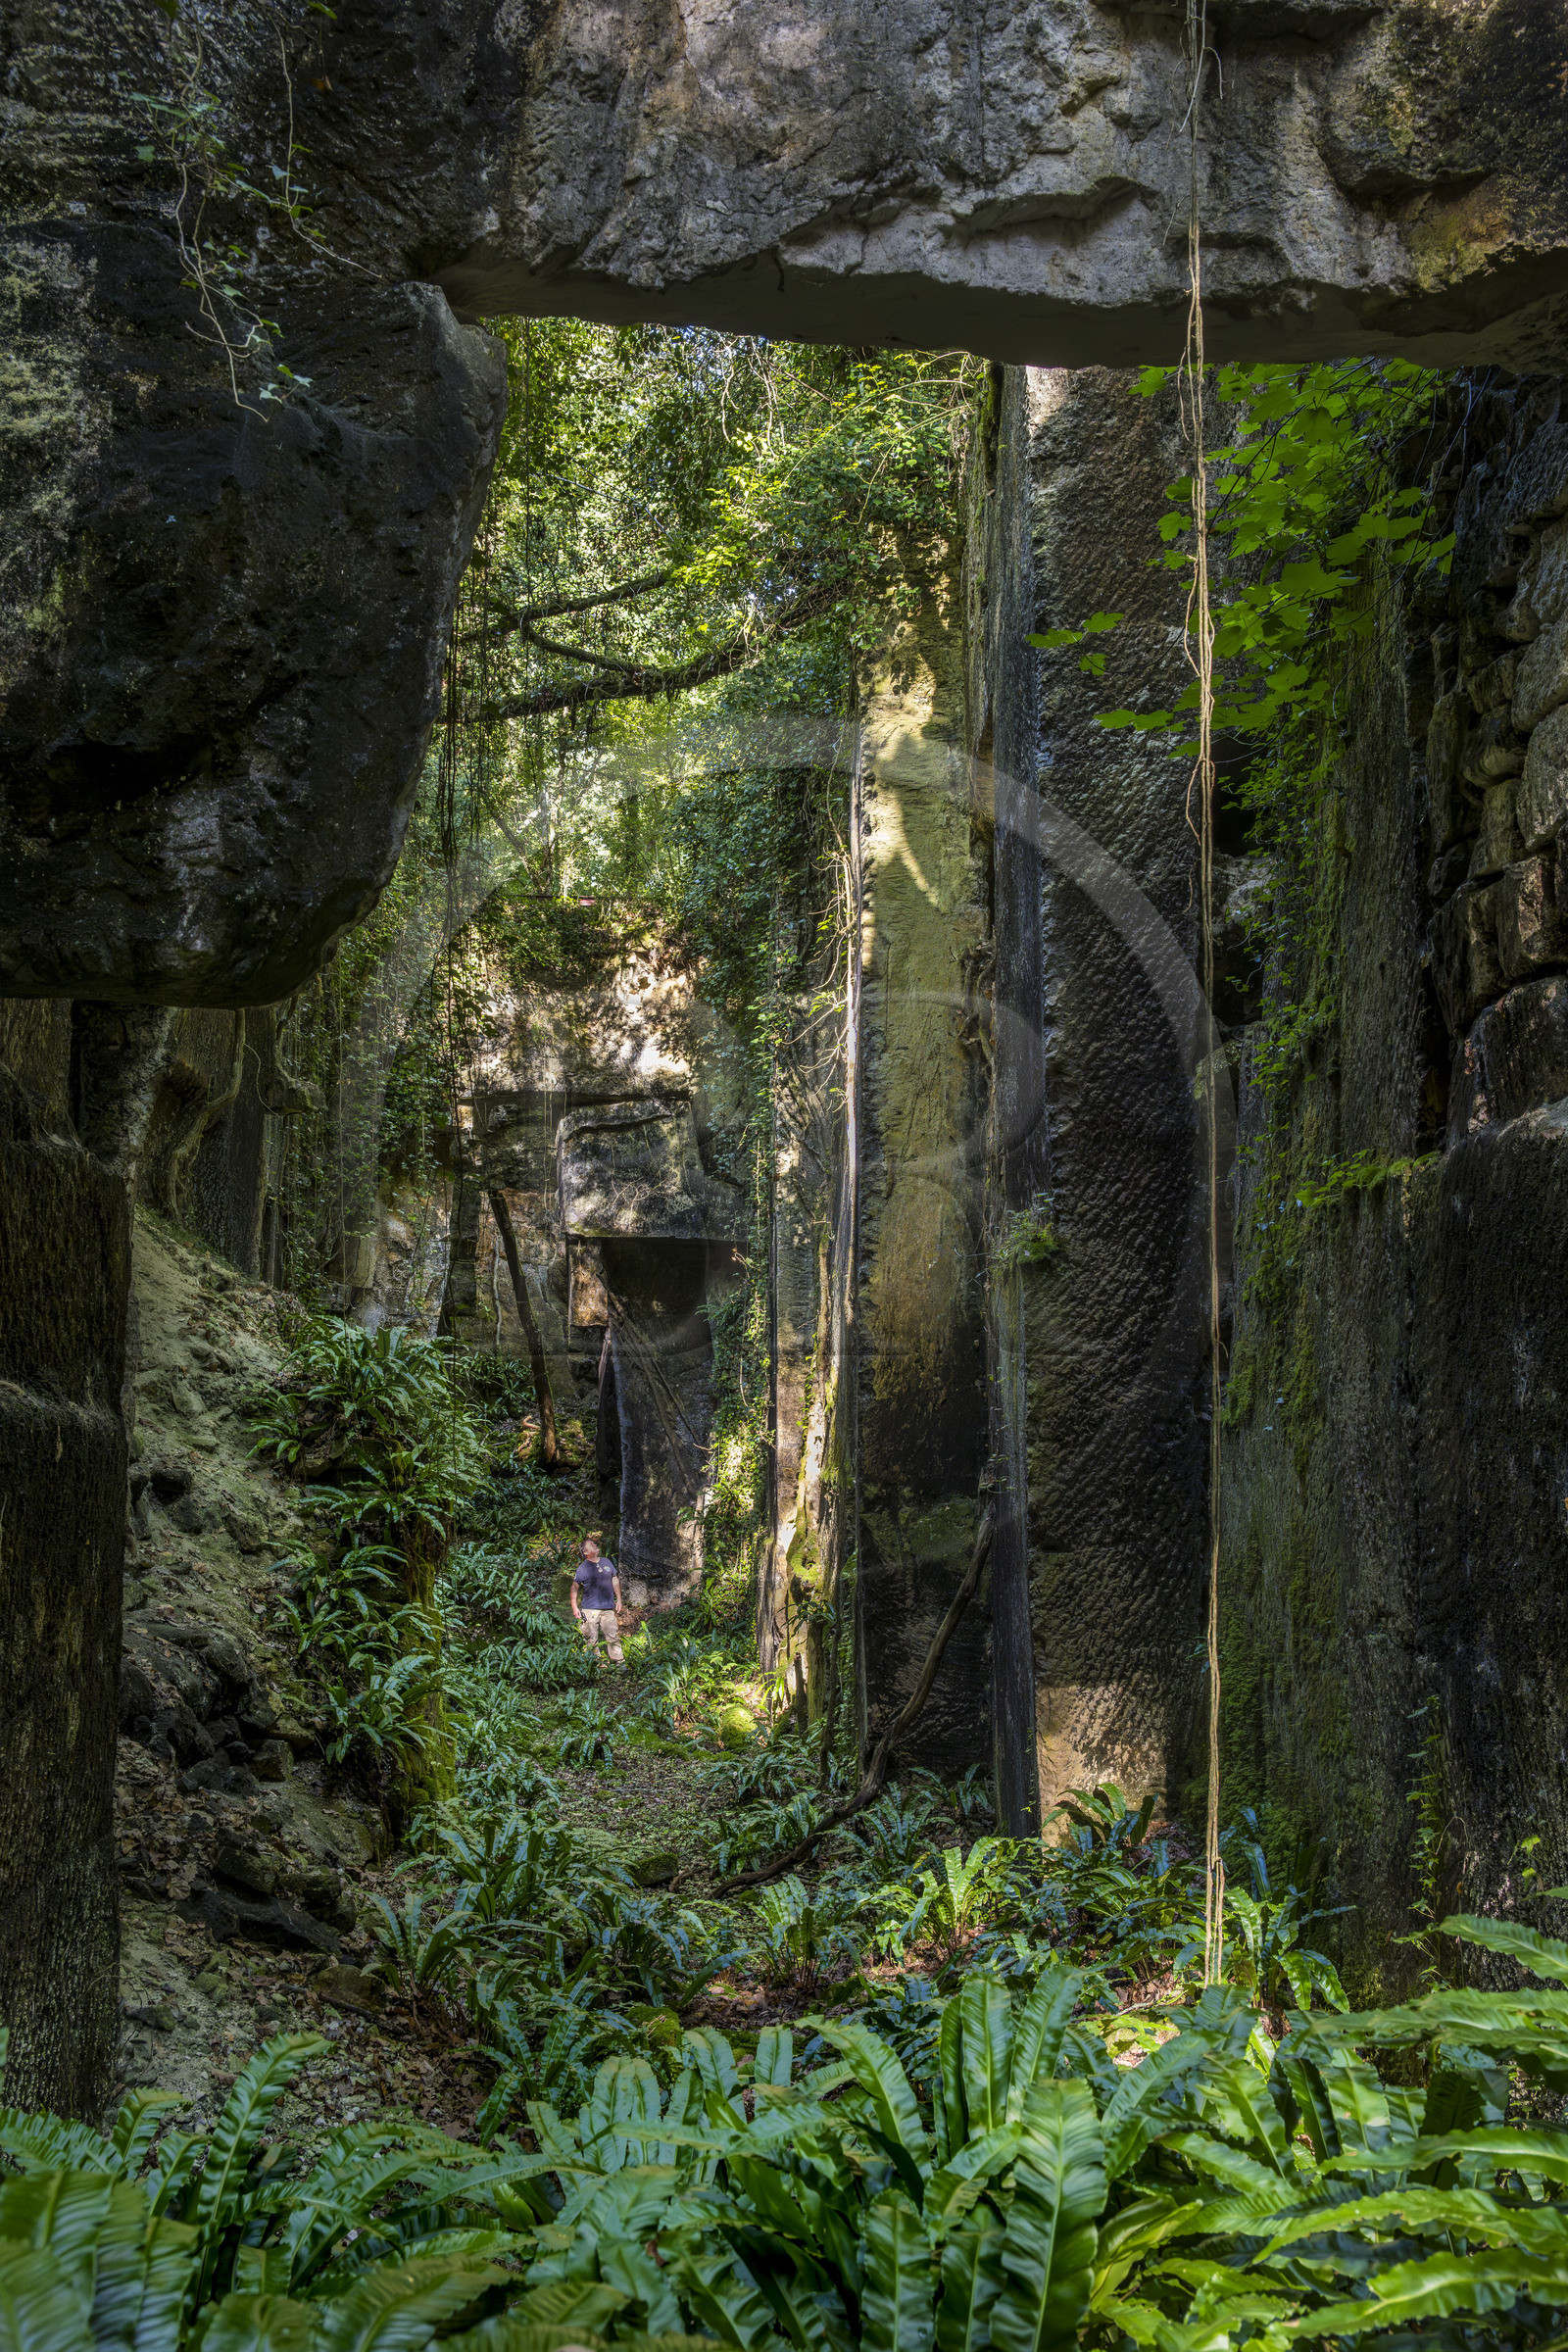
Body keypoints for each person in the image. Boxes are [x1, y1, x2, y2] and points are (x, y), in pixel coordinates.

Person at [570, 1534, 624, 1666]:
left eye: (594, 1543)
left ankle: (619, 1662)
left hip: (608, 1607)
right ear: (586, 1552)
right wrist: (574, 1607)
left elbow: (614, 1579)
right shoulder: (583, 1567)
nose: (595, 1545)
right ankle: (596, 1664)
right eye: (591, 1545)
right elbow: (574, 1588)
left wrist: (619, 1600)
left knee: (612, 1635)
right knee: (591, 1638)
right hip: (590, 1609)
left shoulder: (606, 1561)